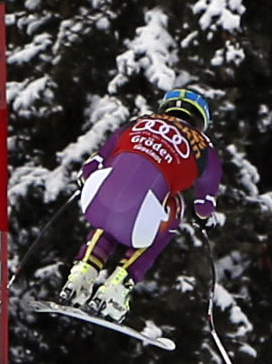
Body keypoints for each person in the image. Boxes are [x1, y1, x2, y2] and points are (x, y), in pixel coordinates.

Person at [61, 85, 222, 322]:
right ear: (200, 120)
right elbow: (204, 207)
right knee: (173, 204)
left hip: (96, 204)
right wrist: (204, 220)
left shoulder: (138, 121)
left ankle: (80, 275)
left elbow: (89, 169)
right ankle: (118, 286)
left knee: (118, 189)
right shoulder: (205, 148)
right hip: (140, 222)